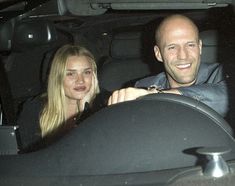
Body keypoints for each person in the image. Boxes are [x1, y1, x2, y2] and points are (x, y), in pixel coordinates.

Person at [108, 14, 228, 117]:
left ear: (200, 47)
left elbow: (226, 97)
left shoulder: (224, 74)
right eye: (172, 47)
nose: (183, 56)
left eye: (190, 45)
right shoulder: (143, 87)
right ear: (159, 54)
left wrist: (154, 97)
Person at [18, 44, 109, 152]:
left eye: (87, 72)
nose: (80, 80)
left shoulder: (106, 105)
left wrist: (85, 111)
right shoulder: (35, 109)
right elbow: (28, 157)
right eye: (71, 74)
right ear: (57, 77)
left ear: (94, 76)